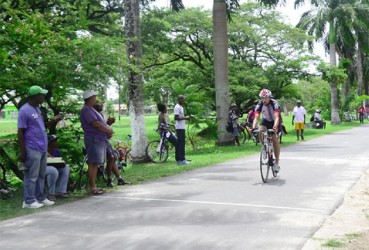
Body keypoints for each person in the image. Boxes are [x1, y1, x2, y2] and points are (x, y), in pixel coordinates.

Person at [18, 85, 55, 208]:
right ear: (35, 96)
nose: (43, 96)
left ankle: (40, 197)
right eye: (41, 94)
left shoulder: (38, 109)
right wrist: (23, 150)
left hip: (42, 147)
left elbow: (41, 126)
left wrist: (53, 121)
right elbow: (20, 131)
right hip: (32, 146)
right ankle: (28, 201)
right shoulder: (24, 110)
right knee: (31, 176)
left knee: (41, 175)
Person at [80, 90, 113, 195]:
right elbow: (95, 124)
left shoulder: (91, 109)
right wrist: (108, 130)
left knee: (95, 163)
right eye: (94, 97)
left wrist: (107, 130)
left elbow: (99, 124)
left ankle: (93, 186)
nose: (95, 99)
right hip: (93, 139)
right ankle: (92, 187)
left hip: (99, 139)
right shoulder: (86, 110)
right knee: (93, 163)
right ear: (90, 98)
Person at [92, 101, 129, 187]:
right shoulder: (94, 116)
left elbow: (103, 126)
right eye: (98, 104)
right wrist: (108, 128)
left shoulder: (99, 115)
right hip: (99, 141)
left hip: (105, 140)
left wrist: (108, 124)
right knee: (111, 157)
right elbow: (98, 128)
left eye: (101, 104)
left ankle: (119, 178)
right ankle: (109, 179)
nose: (100, 105)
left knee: (113, 157)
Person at [252, 89, 282, 173]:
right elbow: (256, 118)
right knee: (260, 130)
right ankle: (264, 147)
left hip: (275, 121)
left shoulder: (275, 103)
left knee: (275, 140)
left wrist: (275, 126)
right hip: (265, 120)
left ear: (269, 97)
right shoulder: (259, 104)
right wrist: (253, 127)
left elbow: (276, 117)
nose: (264, 100)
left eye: (266, 98)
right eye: (262, 98)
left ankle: (276, 162)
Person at [45, 135, 70, 201]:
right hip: (44, 168)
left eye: (56, 141)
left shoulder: (56, 151)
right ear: (49, 143)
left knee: (66, 167)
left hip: (55, 167)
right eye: (54, 141)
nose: (56, 143)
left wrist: (63, 162)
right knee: (53, 171)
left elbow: (60, 162)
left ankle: (60, 191)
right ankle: (50, 193)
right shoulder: (43, 150)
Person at [174, 95, 191, 165]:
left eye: (183, 99)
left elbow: (180, 117)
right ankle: (182, 159)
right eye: (181, 99)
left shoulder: (181, 107)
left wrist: (185, 117)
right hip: (179, 128)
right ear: (178, 99)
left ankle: (179, 159)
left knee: (180, 143)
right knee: (181, 144)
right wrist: (185, 118)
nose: (182, 100)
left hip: (181, 127)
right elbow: (176, 117)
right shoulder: (177, 107)